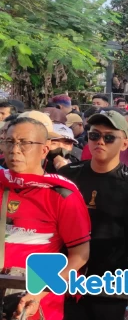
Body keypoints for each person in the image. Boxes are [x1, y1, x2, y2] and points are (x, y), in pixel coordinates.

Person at [59, 111, 128, 320]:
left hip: (113, 282)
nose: (100, 142)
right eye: (94, 135)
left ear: (124, 143)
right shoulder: (69, 175)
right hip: (69, 277)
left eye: (109, 137)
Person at [1, 116, 91, 320]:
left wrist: (39, 293)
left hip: (36, 303)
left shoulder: (62, 194)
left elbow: (80, 255)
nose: (15, 149)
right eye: (9, 141)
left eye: (25, 143)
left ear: (44, 149)